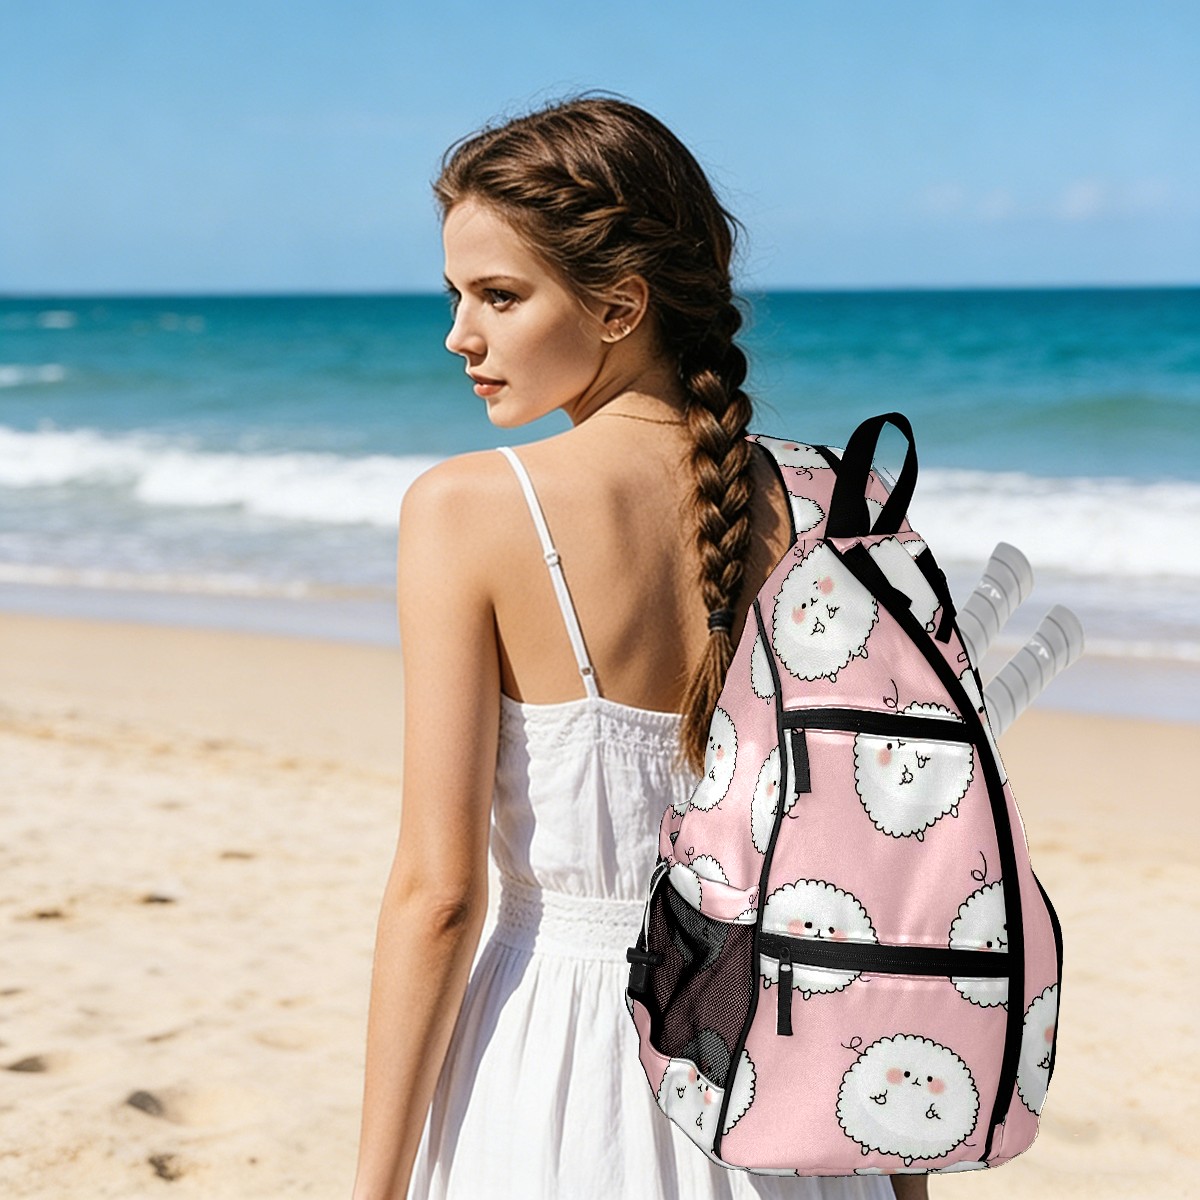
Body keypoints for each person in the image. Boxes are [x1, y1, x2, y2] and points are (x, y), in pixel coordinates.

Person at [351, 95, 928, 1200]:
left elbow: (439, 896)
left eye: (499, 296)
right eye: (456, 295)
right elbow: (882, 862)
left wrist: (373, 1189)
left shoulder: (468, 511)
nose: (460, 335)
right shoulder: (833, 503)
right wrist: (902, 1184)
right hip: (790, 1083)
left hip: (561, 1069)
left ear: (620, 303)